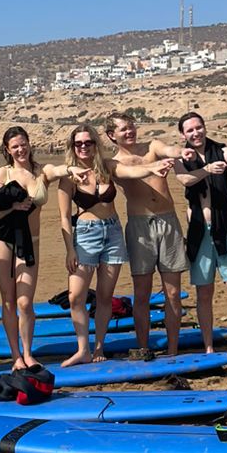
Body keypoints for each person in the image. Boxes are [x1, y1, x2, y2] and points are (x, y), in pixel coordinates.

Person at [57, 123, 173, 366]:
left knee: (105, 296)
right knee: (75, 296)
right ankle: (82, 349)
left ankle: (98, 345)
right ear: (72, 147)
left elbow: (131, 172)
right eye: (78, 143)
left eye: (88, 142)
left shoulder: (107, 167)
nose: (83, 147)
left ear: (96, 144)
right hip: (85, 236)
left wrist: (155, 166)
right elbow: (64, 217)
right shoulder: (68, 177)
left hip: (112, 232)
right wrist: (70, 249)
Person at [104, 110, 190, 358]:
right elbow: (130, 173)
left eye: (131, 126)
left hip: (168, 221)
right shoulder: (114, 163)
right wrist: (153, 168)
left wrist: (180, 152)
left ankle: (173, 348)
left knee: (173, 292)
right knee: (142, 293)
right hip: (140, 226)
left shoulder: (152, 146)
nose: (129, 131)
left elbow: (168, 149)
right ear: (112, 135)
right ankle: (143, 347)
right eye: (123, 129)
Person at [178, 112, 227, 365]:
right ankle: (209, 346)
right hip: (200, 232)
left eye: (198, 127)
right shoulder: (182, 157)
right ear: (183, 134)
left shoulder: (220, 149)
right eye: (190, 130)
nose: (195, 133)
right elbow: (185, 179)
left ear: (204, 127)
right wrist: (206, 170)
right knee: (204, 292)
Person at [0, 125, 65, 369]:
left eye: (23, 144)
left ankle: (28, 352)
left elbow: (59, 169)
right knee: (9, 299)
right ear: (8, 150)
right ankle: (16, 356)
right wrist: (13, 208)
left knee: (25, 302)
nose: (20, 150)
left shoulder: (42, 172)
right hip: (2, 237)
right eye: (15, 147)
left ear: (30, 144)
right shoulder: (3, 173)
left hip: (30, 240)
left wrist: (73, 169)